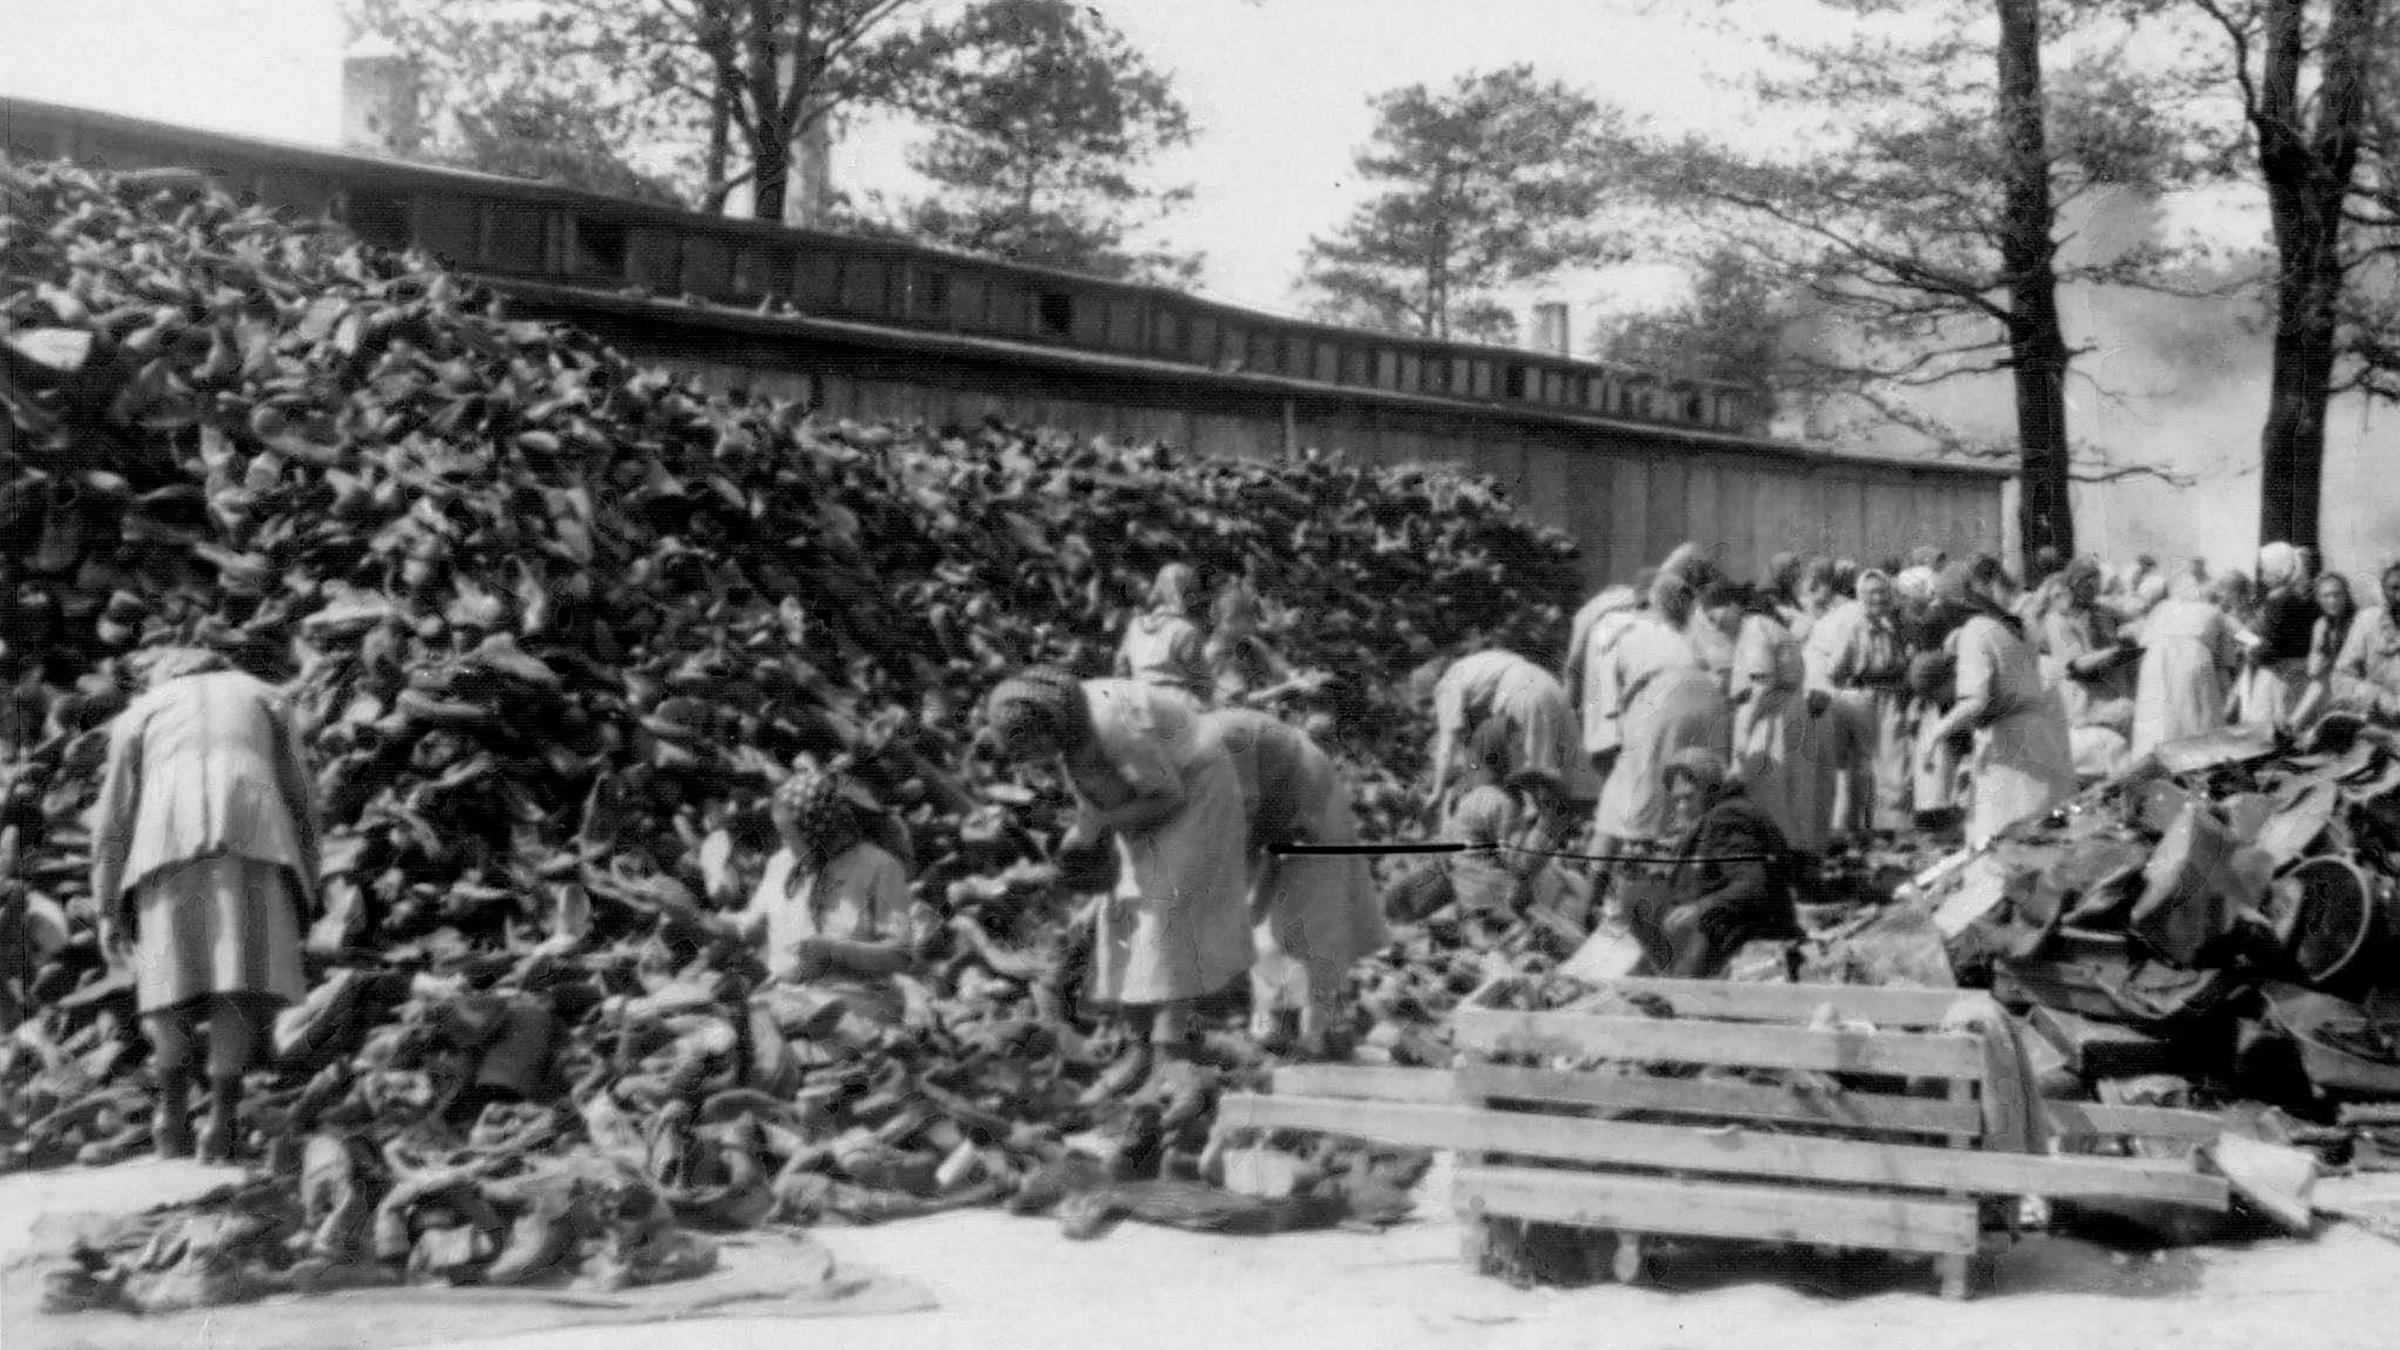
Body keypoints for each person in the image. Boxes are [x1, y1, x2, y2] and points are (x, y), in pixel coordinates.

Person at [90, 646, 321, 1161]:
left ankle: (169, 1117)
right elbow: (301, 798)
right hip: (255, 835)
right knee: (234, 981)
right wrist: (310, 880)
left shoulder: (141, 711)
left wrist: (105, 902)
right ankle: (220, 1122)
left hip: (164, 841)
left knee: (166, 984)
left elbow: (113, 819)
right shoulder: (266, 696)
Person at [985, 668, 1250, 1071]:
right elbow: (1095, 793)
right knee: (1119, 914)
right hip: (1149, 797)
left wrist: (1105, 824)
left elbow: (1168, 795)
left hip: (1197, 792)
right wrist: (1083, 833)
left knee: (1167, 913)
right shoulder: (1071, 727)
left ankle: (1169, 1050)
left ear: (1047, 725)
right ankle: (1136, 1047)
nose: (1032, 761)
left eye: (1031, 747)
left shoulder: (1111, 722)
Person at [1208, 708, 1386, 1058]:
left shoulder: (1221, 741)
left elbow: (1257, 821)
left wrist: (1251, 889)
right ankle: (1273, 1024)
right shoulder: (1200, 756)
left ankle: (1314, 1031)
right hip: (1279, 812)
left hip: (1308, 812)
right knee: (1265, 932)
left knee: (1308, 924)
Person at [735, 766, 931, 1023]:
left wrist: (834, 950)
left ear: (816, 830)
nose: (783, 843)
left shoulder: (879, 867)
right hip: (786, 992)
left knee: (779, 1018)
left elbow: (900, 954)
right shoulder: (780, 865)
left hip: (856, 996)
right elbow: (749, 926)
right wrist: (700, 920)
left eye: (789, 835)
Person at [1920, 558, 2075, 845]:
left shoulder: (1977, 630)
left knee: (1998, 837)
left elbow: (1975, 701)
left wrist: (1935, 734)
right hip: (2039, 736)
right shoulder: (2021, 628)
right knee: (2039, 831)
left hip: (2006, 744)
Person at [1621, 749, 1805, 979]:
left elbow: (1753, 883)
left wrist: (1700, 908)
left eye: (1688, 797)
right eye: (1677, 800)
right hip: (1728, 925)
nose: (1681, 807)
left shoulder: (1728, 818)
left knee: (1642, 900)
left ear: (1710, 788)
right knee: (1644, 893)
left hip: (1740, 929)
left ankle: (1685, 981)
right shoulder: (1724, 815)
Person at [1590, 574, 1732, 852]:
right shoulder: (1702, 633)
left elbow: (1610, 708)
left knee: (1629, 798)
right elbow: (1726, 673)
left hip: (1660, 698)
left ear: (1652, 604)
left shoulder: (1625, 632)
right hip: (1710, 699)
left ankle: (1615, 873)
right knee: (1699, 786)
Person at [1804, 567, 1914, 837]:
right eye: (1871, 593)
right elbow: (1836, 669)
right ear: (1861, 596)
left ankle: (1890, 829)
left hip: (1890, 700)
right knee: (1860, 768)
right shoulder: (1853, 626)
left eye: (1882, 592)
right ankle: (1852, 829)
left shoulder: (1891, 623)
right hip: (1861, 698)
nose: (1878, 598)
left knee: (1895, 768)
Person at [1729, 592, 1841, 856]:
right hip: (1793, 711)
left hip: (1772, 716)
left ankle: (1779, 857)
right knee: (1797, 791)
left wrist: (1743, 736)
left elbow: (1761, 685)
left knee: (1771, 788)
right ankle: (1800, 856)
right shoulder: (1779, 630)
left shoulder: (1754, 627)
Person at [1424, 648, 1597, 814]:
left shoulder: (1447, 685)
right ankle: (1586, 827)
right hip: (1547, 682)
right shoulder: (1476, 664)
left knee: (1539, 775)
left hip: (1521, 692)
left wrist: (1437, 793)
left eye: (1426, 703)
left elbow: (1447, 747)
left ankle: (1542, 828)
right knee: (1574, 774)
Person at [2130, 563, 2245, 757]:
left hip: (2156, 661)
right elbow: (2226, 664)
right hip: (2193, 658)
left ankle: (2151, 758)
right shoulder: (2216, 613)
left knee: (2159, 715)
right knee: (2197, 714)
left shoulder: (2161, 608)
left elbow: (2144, 643)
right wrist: (2224, 701)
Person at [2041, 558, 2139, 780]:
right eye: (2087, 586)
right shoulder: (2057, 619)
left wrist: (2131, 631)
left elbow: (2134, 623)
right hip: (2086, 703)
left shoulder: (2102, 611)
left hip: (2115, 698)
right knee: (2105, 765)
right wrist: (2113, 651)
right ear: (2074, 585)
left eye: (2096, 585)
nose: (2093, 592)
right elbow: (2075, 666)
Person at [2238, 542, 2315, 729]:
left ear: (2278, 569)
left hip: (2278, 674)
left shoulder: (2278, 598)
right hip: (2301, 673)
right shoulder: (2305, 593)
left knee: (2265, 730)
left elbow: (2271, 646)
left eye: (2265, 571)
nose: (2262, 578)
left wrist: (2250, 647)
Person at [1116, 563, 1210, 702]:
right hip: (1176, 705)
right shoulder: (1185, 629)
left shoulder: (1135, 626)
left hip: (1140, 701)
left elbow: (1121, 669)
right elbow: (1202, 683)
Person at [1204, 578, 1303, 708]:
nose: (1247, 623)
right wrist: (1289, 687)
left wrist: (1298, 677)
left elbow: (1278, 668)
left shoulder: (1249, 642)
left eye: (1248, 617)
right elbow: (1239, 701)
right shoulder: (1216, 653)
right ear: (1219, 620)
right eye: (1236, 618)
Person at [2330, 563, 2400, 723]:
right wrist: (2375, 695)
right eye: (2394, 588)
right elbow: (2341, 676)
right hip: (2378, 723)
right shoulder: (2368, 621)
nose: (2399, 597)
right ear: (2384, 591)